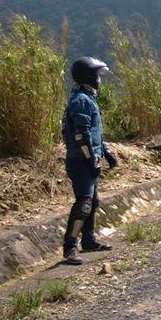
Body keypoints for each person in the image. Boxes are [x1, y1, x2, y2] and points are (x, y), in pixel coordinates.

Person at [61, 57, 118, 265]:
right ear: (87, 77)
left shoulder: (87, 98)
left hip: (88, 158)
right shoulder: (81, 101)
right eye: (96, 75)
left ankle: (89, 240)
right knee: (84, 204)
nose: (99, 80)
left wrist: (106, 152)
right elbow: (81, 134)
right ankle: (70, 247)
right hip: (80, 160)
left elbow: (95, 134)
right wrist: (91, 159)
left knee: (93, 203)